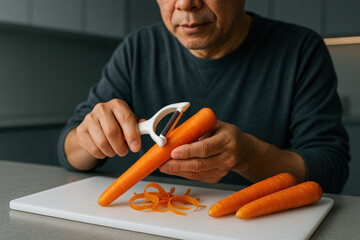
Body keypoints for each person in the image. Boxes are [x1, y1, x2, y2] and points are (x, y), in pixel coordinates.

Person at [58, 0, 350, 193]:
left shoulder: (300, 49)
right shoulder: (138, 48)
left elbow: (330, 172)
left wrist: (249, 156)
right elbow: (69, 151)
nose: (186, 3)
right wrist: (91, 137)